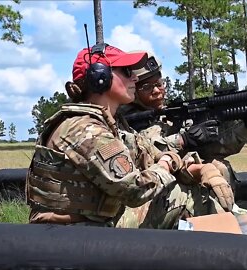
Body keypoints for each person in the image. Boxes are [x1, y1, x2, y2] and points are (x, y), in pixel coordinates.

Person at [25, 43, 234, 228]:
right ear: (100, 78)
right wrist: (167, 164)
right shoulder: (85, 130)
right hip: (73, 238)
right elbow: (136, 190)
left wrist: (199, 168)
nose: (134, 77)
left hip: (91, 228)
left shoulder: (109, 125)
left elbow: (152, 153)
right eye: (126, 71)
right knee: (181, 195)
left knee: (184, 188)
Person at [116, 52, 247, 186]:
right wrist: (183, 139)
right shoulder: (125, 120)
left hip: (177, 175)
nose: (157, 91)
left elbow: (216, 149)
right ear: (133, 90)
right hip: (152, 183)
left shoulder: (168, 115)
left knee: (218, 166)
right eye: (147, 87)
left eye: (159, 83)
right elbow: (144, 153)